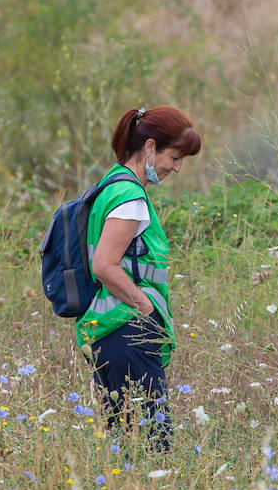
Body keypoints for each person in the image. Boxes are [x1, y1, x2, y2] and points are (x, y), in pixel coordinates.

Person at [76, 106, 202, 451]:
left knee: (125, 442)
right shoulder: (130, 197)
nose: (176, 167)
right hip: (127, 327)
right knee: (155, 442)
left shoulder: (111, 183)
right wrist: (146, 308)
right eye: (175, 157)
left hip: (108, 328)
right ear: (149, 148)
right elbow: (105, 265)